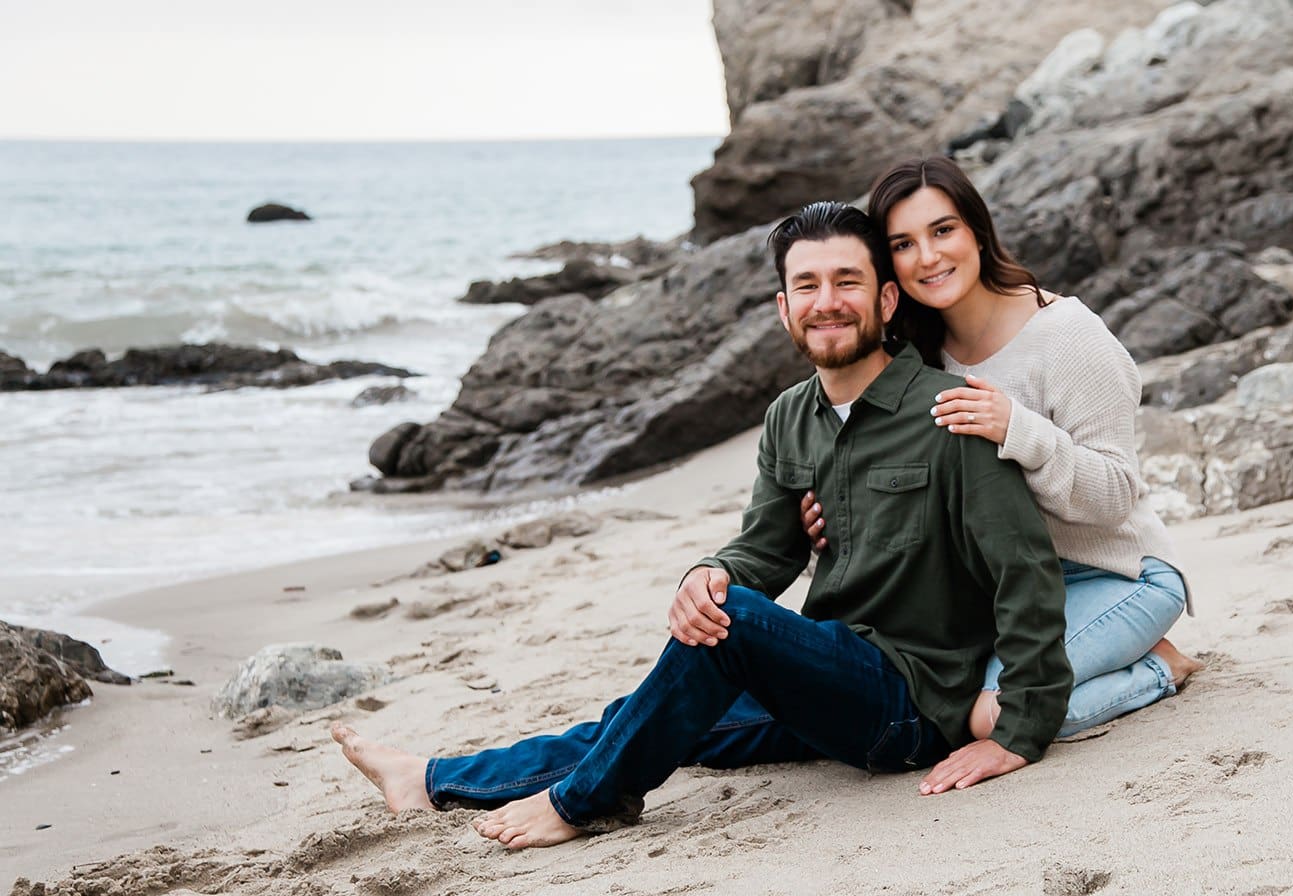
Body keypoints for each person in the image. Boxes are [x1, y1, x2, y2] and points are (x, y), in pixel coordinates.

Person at [331, 201, 1073, 849]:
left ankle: (579, 805)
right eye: (806, 285)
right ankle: (430, 780)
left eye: (847, 282)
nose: (828, 301)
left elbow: (1026, 571)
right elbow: (766, 547)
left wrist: (1019, 734)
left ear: (884, 299)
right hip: (822, 678)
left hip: (909, 704)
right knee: (644, 716)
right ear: (784, 309)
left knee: (726, 626)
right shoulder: (790, 416)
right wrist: (704, 573)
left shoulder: (951, 409)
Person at [801, 157, 1202, 744]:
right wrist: (826, 531)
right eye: (904, 244)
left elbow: (1116, 497)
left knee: (998, 719)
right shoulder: (915, 359)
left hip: (1115, 574)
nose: (930, 257)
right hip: (1002, 598)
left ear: (977, 231)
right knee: (932, 705)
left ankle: (1159, 666)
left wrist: (1020, 429)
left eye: (943, 231)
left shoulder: (1067, 334)